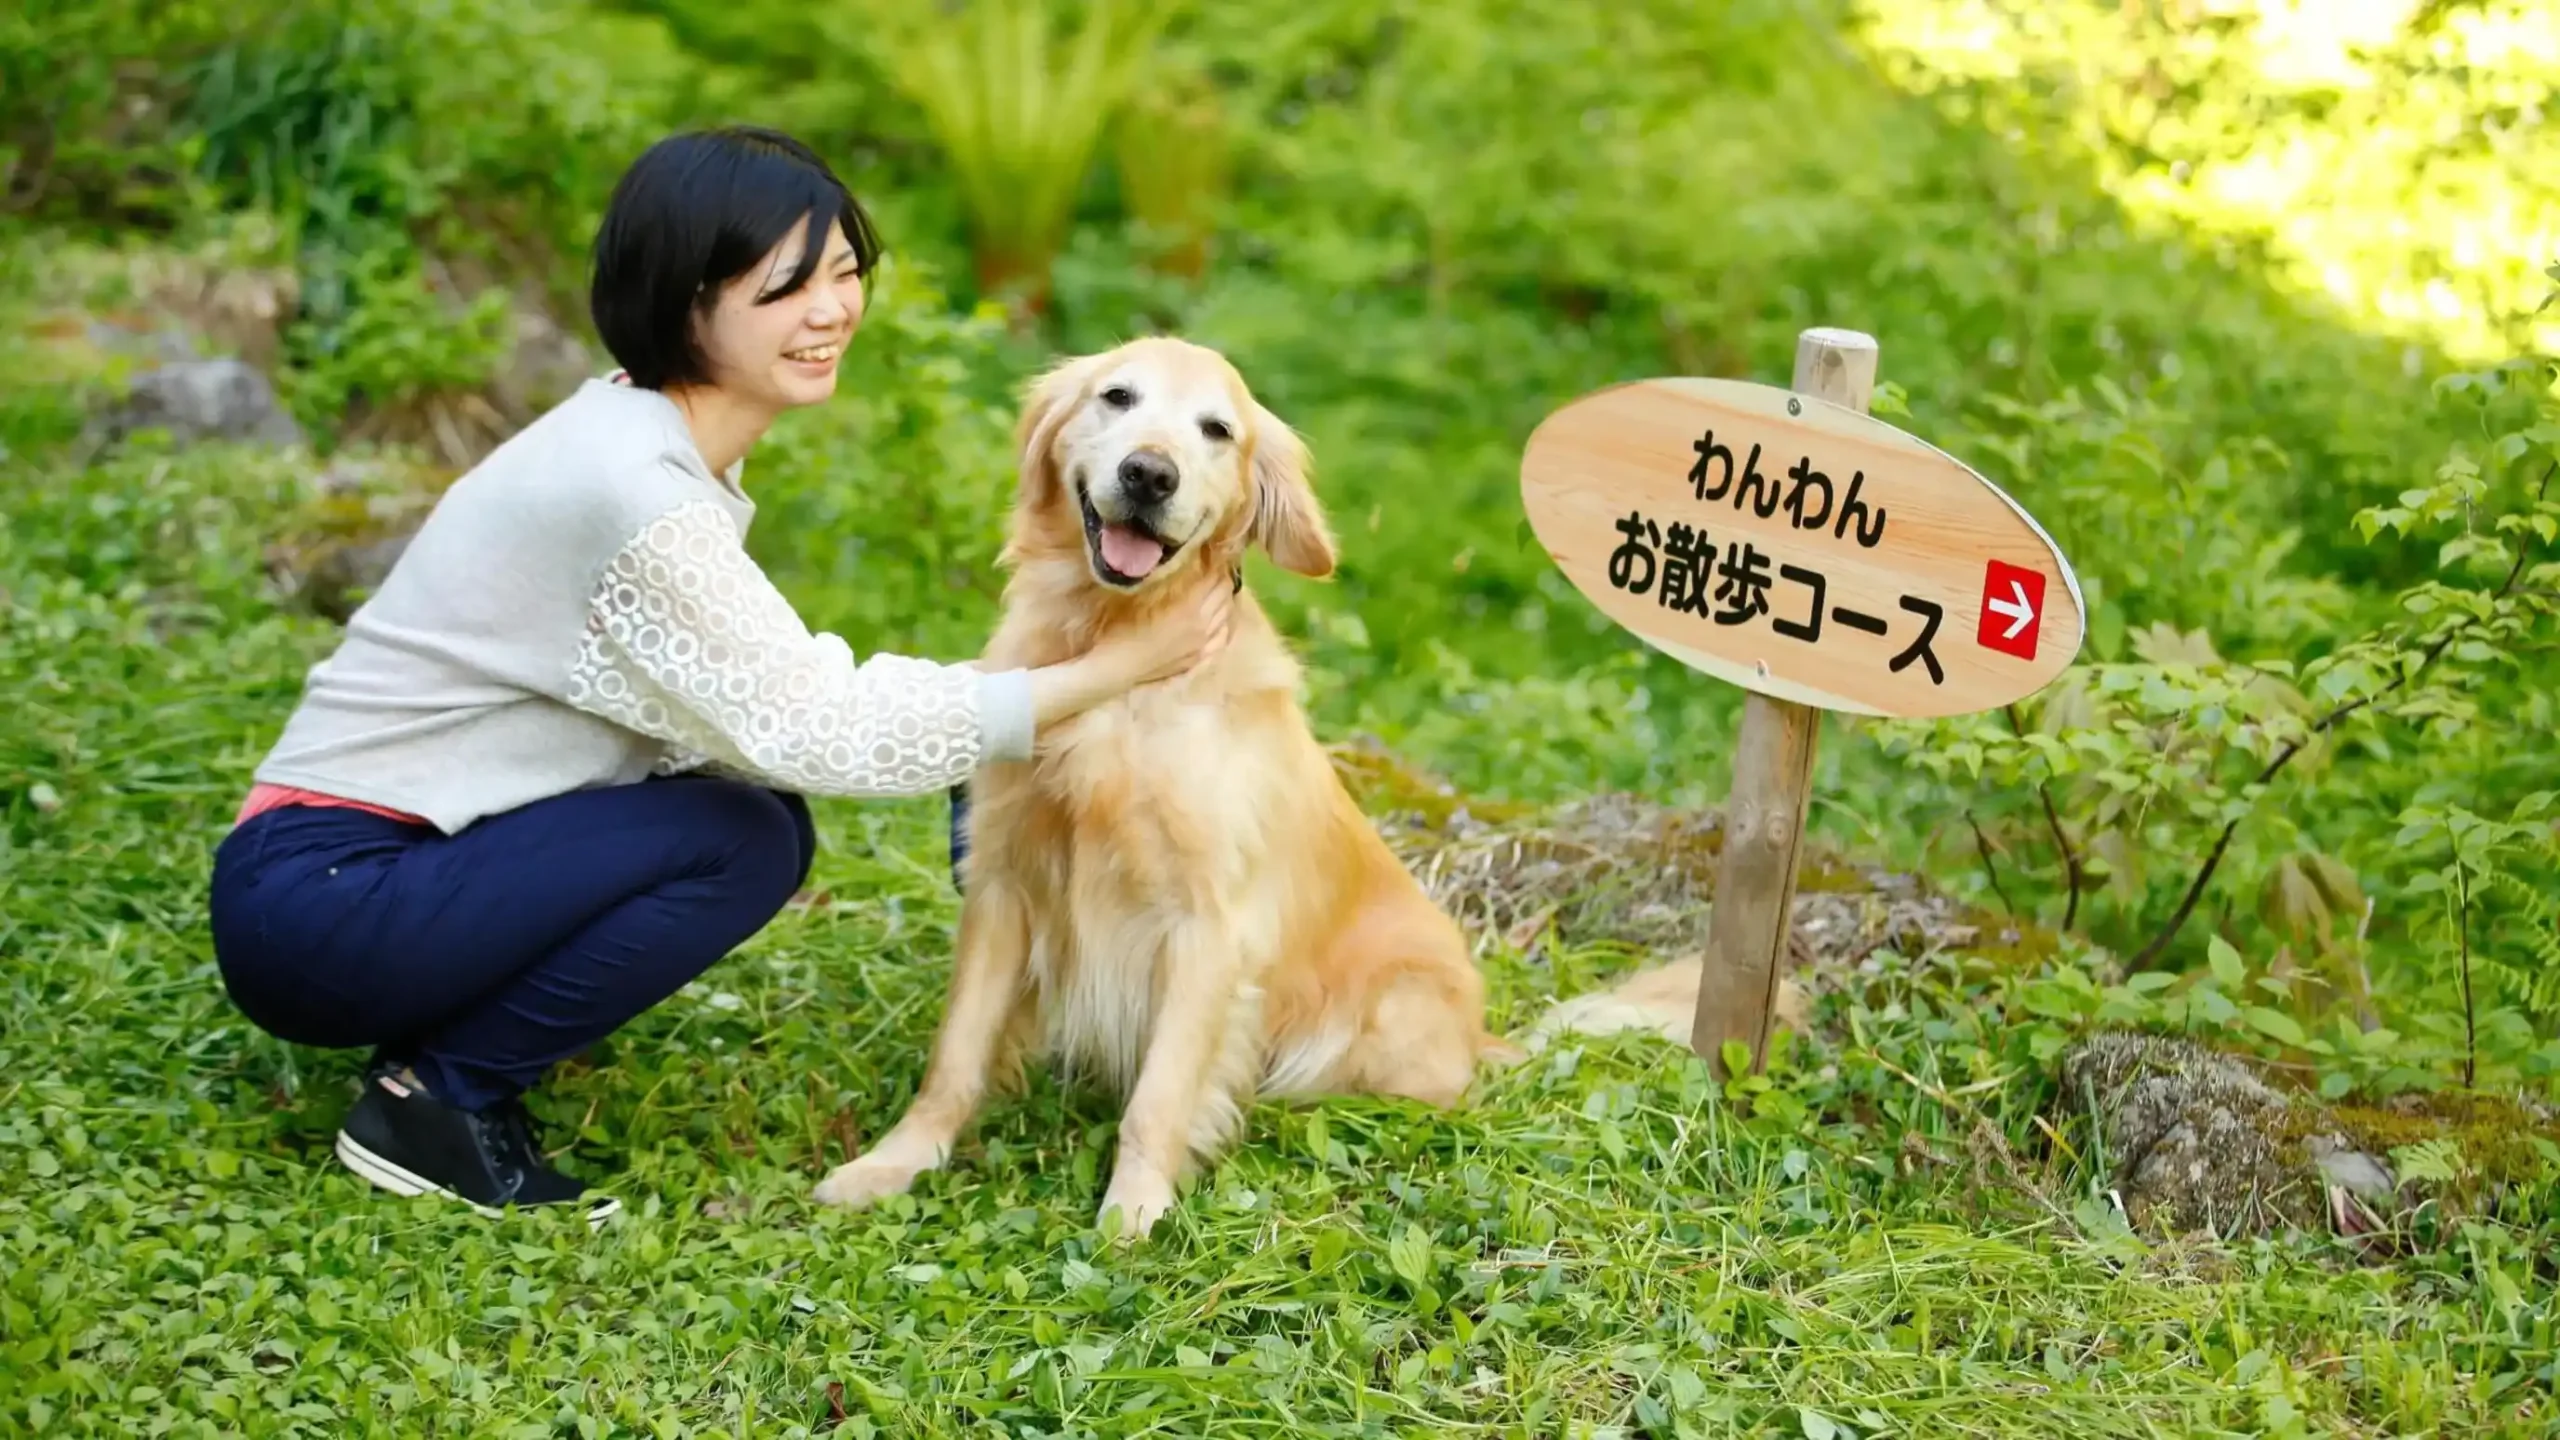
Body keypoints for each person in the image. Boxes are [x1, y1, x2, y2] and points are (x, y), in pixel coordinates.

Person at [207, 125, 1231, 1225]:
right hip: (323, 900)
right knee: (742, 837)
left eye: (843, 274)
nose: (831, 310)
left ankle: (448, 1040)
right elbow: (814, 727)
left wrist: (977, 737)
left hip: (357, 873)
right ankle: (437, 1100)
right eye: (785, 286)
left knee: (743, 812)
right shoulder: (634, 489)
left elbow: (731, 709)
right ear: (685, 297)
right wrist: (1111, 669)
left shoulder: (647, 442)